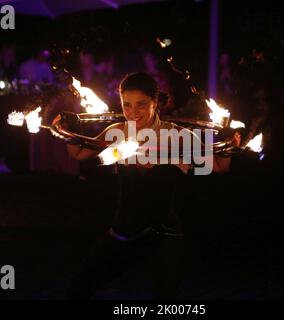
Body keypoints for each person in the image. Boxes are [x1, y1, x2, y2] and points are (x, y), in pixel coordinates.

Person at [52, 72, 238, 299]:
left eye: (141, 104)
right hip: (123, 232)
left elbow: (219, 166)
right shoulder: (118, 132)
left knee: (166, 301)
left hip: (164, 233)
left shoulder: (177, 135)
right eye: (127, 105)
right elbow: (79, 153)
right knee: (78, 289)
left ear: (155, 102)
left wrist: (228, 145)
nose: (132, 112)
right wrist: (70, 131)